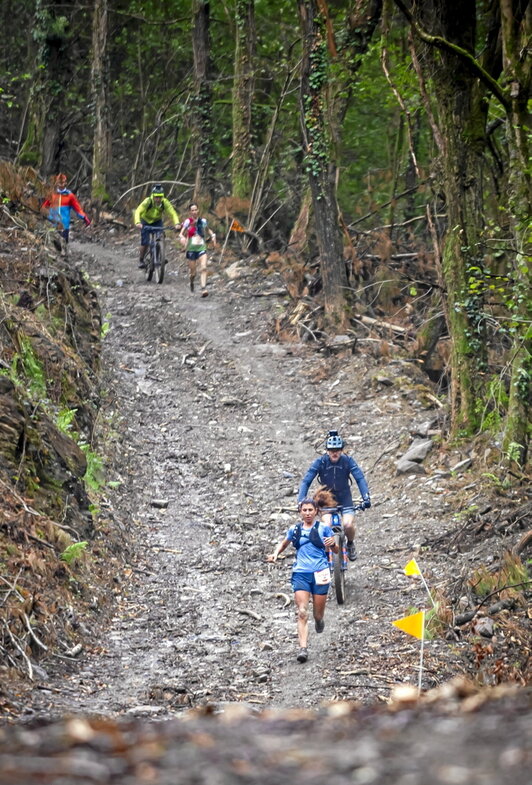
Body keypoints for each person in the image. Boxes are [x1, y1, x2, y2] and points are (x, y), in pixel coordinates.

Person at [267, 497, 337, 664]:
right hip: (301, 573)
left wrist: (333, 544)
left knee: (317, 613)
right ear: (300, 512)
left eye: (310, 510)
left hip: (320, 572)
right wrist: (276, 554)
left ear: (316, 512)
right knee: (302, 611)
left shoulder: (323, 529)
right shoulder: (295, 529)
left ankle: (319, 620)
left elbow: (335, 549)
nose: (307, 513)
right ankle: (303, 649)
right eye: (304, 510)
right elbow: (284, 544)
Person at [298, 430, 371, 562]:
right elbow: (306, 481)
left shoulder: (348, 461)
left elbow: (359, 478)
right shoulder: (320, 462)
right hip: (326, 499)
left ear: (342, 450)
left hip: (345, 497)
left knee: (348, 525)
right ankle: (325, 554)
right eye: (332, 450)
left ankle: (350, 544)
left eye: (337, 450)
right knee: (327, 525)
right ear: (327, 450)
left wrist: (366, 497)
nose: (335, 453)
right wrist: (301, 500)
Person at [41, 173, 91, 255]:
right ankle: (58, 261)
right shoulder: (52, 195)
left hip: (65, 225)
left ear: (65, 183)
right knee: (56, 246)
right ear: (56, 183)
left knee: (64, 244)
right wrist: (49, 217)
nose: (61, 185)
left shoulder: (70, 196)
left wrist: (84, 217)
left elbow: (78, 209)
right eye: (59, 183)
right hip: (54, 224)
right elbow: (44, 207)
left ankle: (66, 260)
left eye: (63, 183)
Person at [134, 185, 180, 269]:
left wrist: (177, 223)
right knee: (145, 242)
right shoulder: (148, 201)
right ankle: (141, 260)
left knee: (160, 237)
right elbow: (138, 211)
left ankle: (159, 257)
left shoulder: (164, 202)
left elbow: (172, 213)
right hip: (145, 221)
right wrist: (138, 222)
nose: (158, 199)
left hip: (157, 222)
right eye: (156, 197)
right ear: (153, 196)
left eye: (160, 197)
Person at [179, 203, 216, 297]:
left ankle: (203, 288)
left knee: (204, 267)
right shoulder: (188, 222)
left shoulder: (203, 221)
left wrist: (213, 235)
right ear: (190, 212)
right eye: (192, 210)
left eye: (196, 210)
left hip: (201, 248)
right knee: (193, 273)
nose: (194, 212)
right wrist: (182, 238)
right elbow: (180, 233)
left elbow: (208, 230)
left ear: (198, 210)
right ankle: (191, 281)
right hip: (191, 249)